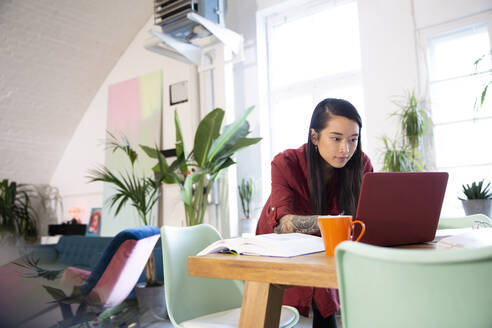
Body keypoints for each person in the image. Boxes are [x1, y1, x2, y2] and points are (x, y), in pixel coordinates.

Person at [256, 98, 373, 328]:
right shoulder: (286, 163)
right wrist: (332, 223)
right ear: (314, 137)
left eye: (353, 140)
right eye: (336, 138)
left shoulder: (360, 163)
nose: (345, 149)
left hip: (324, 253)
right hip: (280, 253)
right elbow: (283, 224)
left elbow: (368, 215)